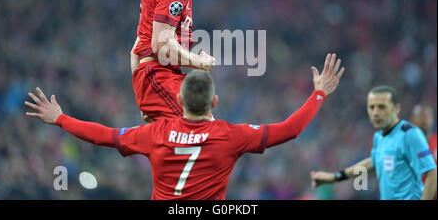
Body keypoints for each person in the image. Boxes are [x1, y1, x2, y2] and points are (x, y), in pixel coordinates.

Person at [25, 53, 345, 199]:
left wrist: (61, 118)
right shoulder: (232, 136)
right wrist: (319, 93)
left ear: (179, 99)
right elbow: (290, 129)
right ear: (214, 102)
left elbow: (104, 136)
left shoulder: (154, 133)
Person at [130, 0, 225, 123]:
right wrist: (199, 62)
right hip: (159, 77)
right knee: (208, 133)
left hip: (162, 79)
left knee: (202, 138)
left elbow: (135, 49)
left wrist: (143, 97)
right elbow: (161, 45)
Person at [310, 86, 437, 200]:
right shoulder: (379, 137)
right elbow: (372, 163)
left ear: (396, 109)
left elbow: (432, 173)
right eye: (372, 107)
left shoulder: (410, 134)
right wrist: (334, 177)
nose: (376, 113)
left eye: (382, 107)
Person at [410, 104, 437, 199]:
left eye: (427, 115)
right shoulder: (405, 146)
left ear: (432, 119)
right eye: (419, 116)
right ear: (412, 121)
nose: (423, 119)